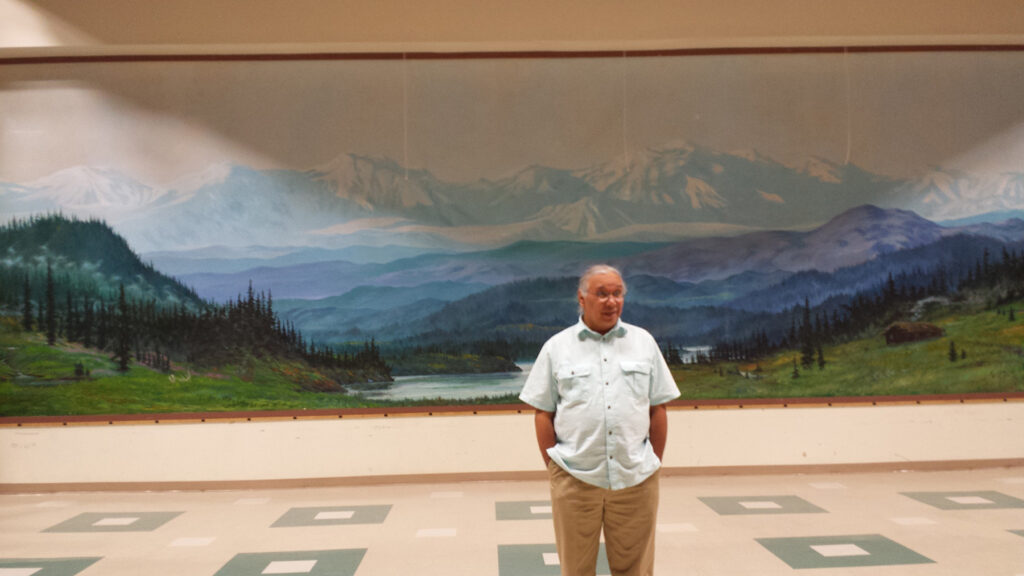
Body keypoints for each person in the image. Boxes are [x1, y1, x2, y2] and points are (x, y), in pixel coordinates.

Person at [519, 264, 680, 576]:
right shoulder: (557, 347)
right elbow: (543, 413)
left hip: (636, 479)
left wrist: (653, 461)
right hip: (575, 479)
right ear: (582, 299)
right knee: (576, 569)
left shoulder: (643, 342)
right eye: (602, 293)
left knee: (636, 569)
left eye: (617, 293)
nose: (611, 301)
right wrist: (556, 467)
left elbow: (658, 407)